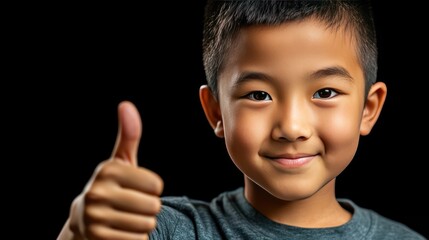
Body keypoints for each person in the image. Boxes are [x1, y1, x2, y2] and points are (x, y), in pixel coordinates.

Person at [58, 0, 427, 239]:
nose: (292, 128)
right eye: (258, 95)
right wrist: (79, 232)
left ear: (368, 108)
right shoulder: (162, 229)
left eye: (325, 93)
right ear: (216, 112)